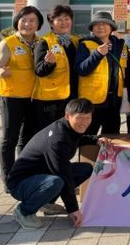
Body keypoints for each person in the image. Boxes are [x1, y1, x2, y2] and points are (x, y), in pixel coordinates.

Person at [6, 98, 110, 230]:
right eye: (79, 118)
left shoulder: (67, 128)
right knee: (56, 181)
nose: (84, 122)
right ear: (67, 116)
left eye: (87, 118)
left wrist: (96, 139)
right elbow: (63, 174)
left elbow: (77, 139)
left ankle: (45, 202)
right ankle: (23, 211)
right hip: (21, 183)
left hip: (41, 175)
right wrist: (73, 209)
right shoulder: (57, 139)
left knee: (85, 169)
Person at [0, 5, 43, 189]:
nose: (27, 24)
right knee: (9, 139)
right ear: (17, 22)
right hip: (11, 97)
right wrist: (0, 72)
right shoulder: (8, 43)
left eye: (32, 20)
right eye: (24, 20)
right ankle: (9, 180)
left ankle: (23, 175)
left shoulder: (40, 42)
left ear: (38, 24)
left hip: (33, 97)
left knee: (26, 139)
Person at [75, 12, 130, 135]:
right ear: (92, 28)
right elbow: (81, 69)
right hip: (91, 103)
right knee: (88, 138)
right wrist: (97, 54)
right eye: (97, 24)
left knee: (112, 137)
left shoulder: (121, 46)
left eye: (105, 24)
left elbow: (128, 73)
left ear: (111, 27)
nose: (101, 27)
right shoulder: (85, 45)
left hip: (114, 102)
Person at [32, 5, 79, 133]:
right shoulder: (44, 42)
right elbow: (39, 71)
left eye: (67, 19)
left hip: (70, 98)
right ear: (51, 23)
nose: (64, 22)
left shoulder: (76, 42)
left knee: (67, 133)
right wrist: (49, 63)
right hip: (50, 101)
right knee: (50, 135)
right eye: (59, 20)